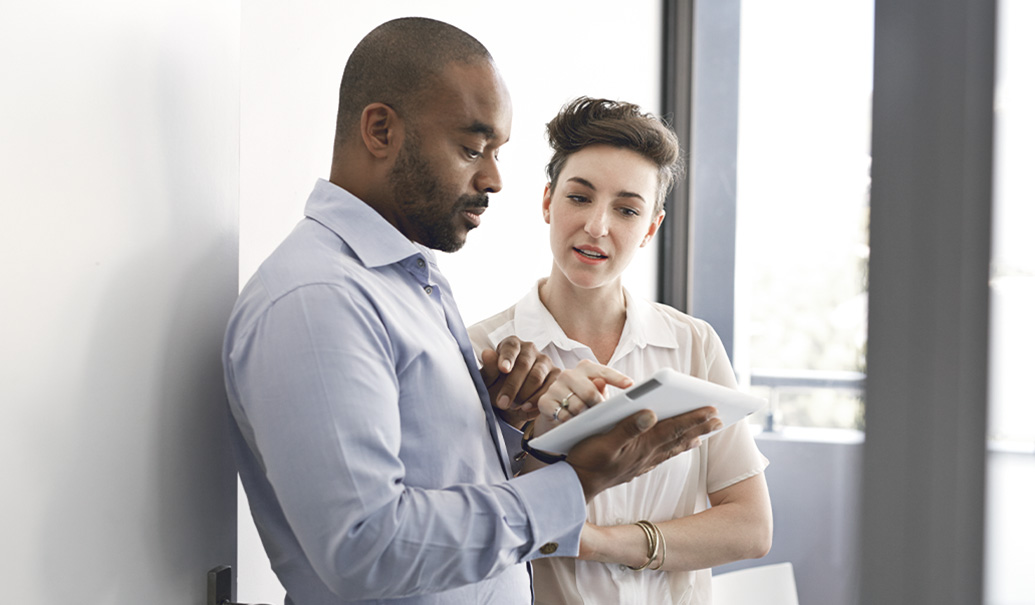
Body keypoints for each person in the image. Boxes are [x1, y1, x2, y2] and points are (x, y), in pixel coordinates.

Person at [222, 18, 722, 605]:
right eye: (472, 148)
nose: (493, 179)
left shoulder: (409, 282)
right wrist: (578, 481)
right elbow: (366, 549)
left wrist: (506, 424)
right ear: (381, 130)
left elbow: (434, 487)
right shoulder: (319, 300)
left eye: (498, 152)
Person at [468, 97, 773, 605]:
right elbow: (469, 528)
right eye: (579, 198)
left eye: (627, 209)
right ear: (547, 202)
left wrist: (599, 544)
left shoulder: (692, 344)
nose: (597, 227)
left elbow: (749, 526)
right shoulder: (486, 352)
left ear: (651, 226)